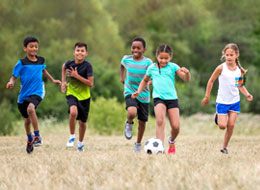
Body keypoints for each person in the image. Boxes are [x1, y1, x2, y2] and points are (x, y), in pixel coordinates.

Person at [132, 44, 191, 154]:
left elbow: (186, 79)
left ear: (170, 58)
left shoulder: (173, 67)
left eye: (166, 58)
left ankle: (171, 141)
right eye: (161, 58)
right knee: (160, 121)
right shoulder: (152, 68)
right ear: (157, 56)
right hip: (158, 98)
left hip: (172, 99)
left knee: (176, 126)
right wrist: (138, 91)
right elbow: (145, 80)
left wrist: (187, 73)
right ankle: (160, 148)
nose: (163, 61)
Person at [6, 36, 61, 154]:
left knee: (31, 109)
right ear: (25, 48)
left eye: (36, 46)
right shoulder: (21, 63)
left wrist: (52, 80)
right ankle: (30, 139)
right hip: (24, 94)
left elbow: (44, 70)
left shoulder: (41, 60)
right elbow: (14, 75)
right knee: (27, 120)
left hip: (38, 91)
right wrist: (11, 82)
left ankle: (37, 136)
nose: (34, 49)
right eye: (31, 47)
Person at [201, 43, 253, 154]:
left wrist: (247, 94)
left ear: (237, 55)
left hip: (235, 101)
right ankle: (218, 116)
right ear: (224, 55)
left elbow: (240, 85)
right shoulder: (221, 68)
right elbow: (211, 81)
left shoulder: (239, 70)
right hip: (222, 101)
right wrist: (207, 96)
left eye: (231, 55)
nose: (229, 57)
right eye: (227, 55)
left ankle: (224, 147)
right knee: (222, 126)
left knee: (231, 125)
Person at [120, 37, 153, 152]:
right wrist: (122, 77)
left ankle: (138, 144)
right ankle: (129, 123)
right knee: (132, 112)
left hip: (144, 94)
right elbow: (122, 65)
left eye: (138, 48)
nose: (135, 50)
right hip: (130, 90)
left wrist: (150, 82)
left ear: (144, 49)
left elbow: (152, 75)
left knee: (142, 122)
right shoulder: (126, 59)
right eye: (133, 48)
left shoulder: (148, 62)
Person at [61, 42, 94, 152]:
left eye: (82, 51)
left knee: (82, 123)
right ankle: (71, 137)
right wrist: (63, 82)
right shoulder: (69, 63)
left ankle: (80, 143)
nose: (80, 53)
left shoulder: (88, 66)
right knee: (73, 112)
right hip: (72, 93)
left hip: (84, 97)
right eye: (78, 50)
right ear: (74, 52)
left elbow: (90, 83)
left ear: (86, 53)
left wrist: (76, 76)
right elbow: (63, 67)